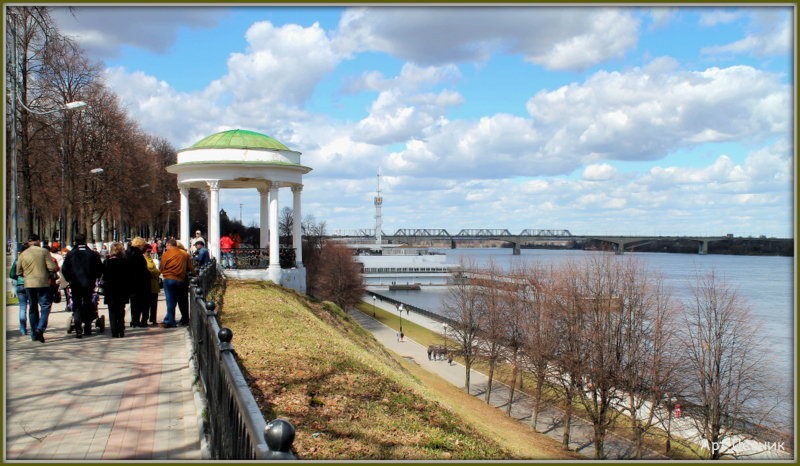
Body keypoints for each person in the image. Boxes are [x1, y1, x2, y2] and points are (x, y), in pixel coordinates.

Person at [61, 233, 104, 338]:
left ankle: (78, 328)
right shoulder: (93, 254)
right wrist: (95, 278)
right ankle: (88, 327)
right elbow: (100, 268)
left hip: (75, 283)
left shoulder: (71, 254)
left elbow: (65, 268)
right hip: (89, 283)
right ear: (85, 241)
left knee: (76, 304)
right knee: (88, 302)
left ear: (75, 241)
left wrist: (69, 279)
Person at [17, 234, 56, 343]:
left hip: (29, 284)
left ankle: (34, 334)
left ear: (29, 242)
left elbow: (18, 271)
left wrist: (26, 274)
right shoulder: (44, 252)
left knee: (33, 308)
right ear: (38, 241)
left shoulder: (23, 254)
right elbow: (52, 267)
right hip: (43, 283)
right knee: (45, 306)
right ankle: (40, 328)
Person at [159, 238, 194, 328]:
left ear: (169, 245)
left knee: (170, 300)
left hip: (168, 279)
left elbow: (162, 267)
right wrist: (195, 274)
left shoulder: (166, 254)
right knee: (180, 300)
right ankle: (176, 319)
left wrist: (163, 273)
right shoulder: (184, 254)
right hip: (180, 280)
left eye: (166, 246)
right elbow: (191, 267)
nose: (166, 247)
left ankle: (171, 321)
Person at [102, 242, 130, 338]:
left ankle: (114, 331)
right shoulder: (125, 262)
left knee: (112, 310)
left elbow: (104, 276)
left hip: (110, 289)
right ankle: (121, 329)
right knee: (121, 309)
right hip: (122, 289)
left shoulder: (107, 262)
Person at [126, 237, 152, 327]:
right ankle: (139, 320)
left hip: (130, 282)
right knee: (142, 302)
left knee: (134, 303)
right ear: (140, 245)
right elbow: (141, 270)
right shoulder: (138, 255)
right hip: (140, 282)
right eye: (143, 245)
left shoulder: (127, 253)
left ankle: (134, 320)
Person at [9, 244, 30, 335]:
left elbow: (12, 274)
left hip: (20, 285)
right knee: (33, 307)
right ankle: (34, 327)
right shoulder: (31, 259)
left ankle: (22, 329)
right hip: (30, 284)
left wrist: (18, 278)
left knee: (22, 307)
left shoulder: (18, 260)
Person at [143, 248, 161, 326]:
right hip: (148, 284)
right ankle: (145, 319)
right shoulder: (143, 260)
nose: (149, 253)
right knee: (146, 303)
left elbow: (156, 270)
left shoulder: (151, 259)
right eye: (148, 251)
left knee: (154, 303)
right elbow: (150, 270)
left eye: (150, 251)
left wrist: (156, 272)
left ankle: (153, 318)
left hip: (154, 284)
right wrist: (155, 272)